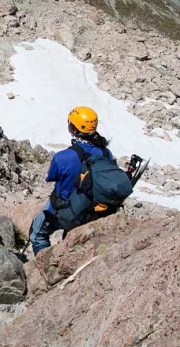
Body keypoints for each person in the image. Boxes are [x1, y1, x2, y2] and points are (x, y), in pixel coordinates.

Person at [28, 106, 115, 255]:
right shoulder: (106, 153)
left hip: (64, 209)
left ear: (73, 129)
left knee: (38, 234)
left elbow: (51, 177)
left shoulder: (62, 157)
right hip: (93, 210)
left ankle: (43, 267)